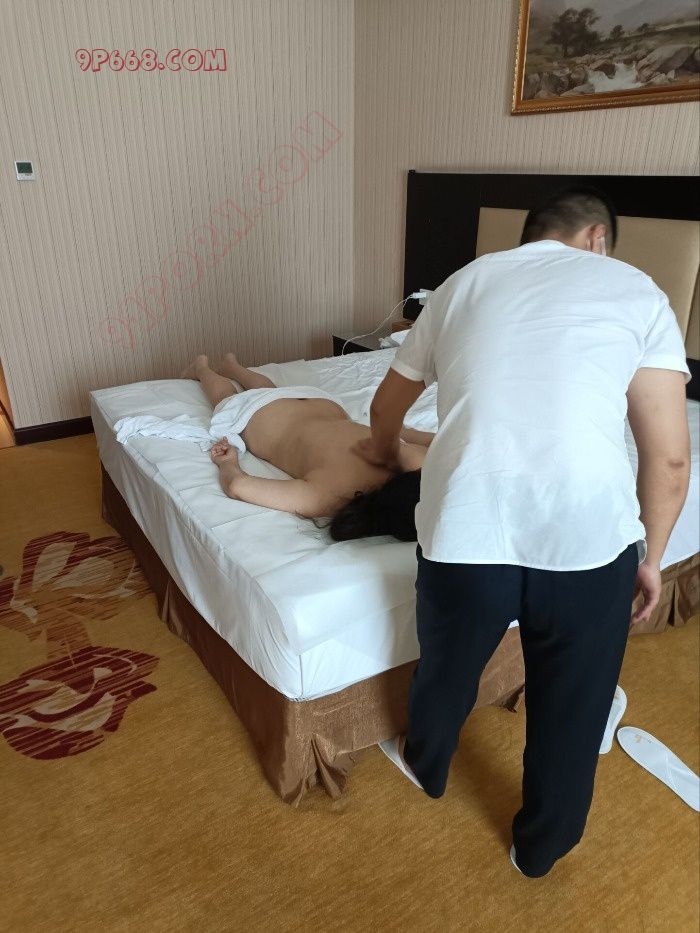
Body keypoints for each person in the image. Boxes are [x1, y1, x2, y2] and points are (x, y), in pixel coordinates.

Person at [354, 186, 691, 878]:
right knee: (574, 706)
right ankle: (539, 849)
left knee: (447, 665)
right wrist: (651, 558)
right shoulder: (639, 292)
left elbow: (385, 406)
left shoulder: (461, 284)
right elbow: (669, 459)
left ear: (530, 235)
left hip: (465, 529)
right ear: (598, 238)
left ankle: (426, 763)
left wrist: (385, 452)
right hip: (589, 542)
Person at [179, 352, 432, 533]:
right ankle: (207, 368)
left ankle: (222, 367)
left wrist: (227, 463)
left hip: (321, 404)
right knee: (234, 396)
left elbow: (418, 436)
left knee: (261, 392)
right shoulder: (330, 498)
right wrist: (229, 464)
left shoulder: (413, 460)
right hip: (271, 420)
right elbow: (237, 485)